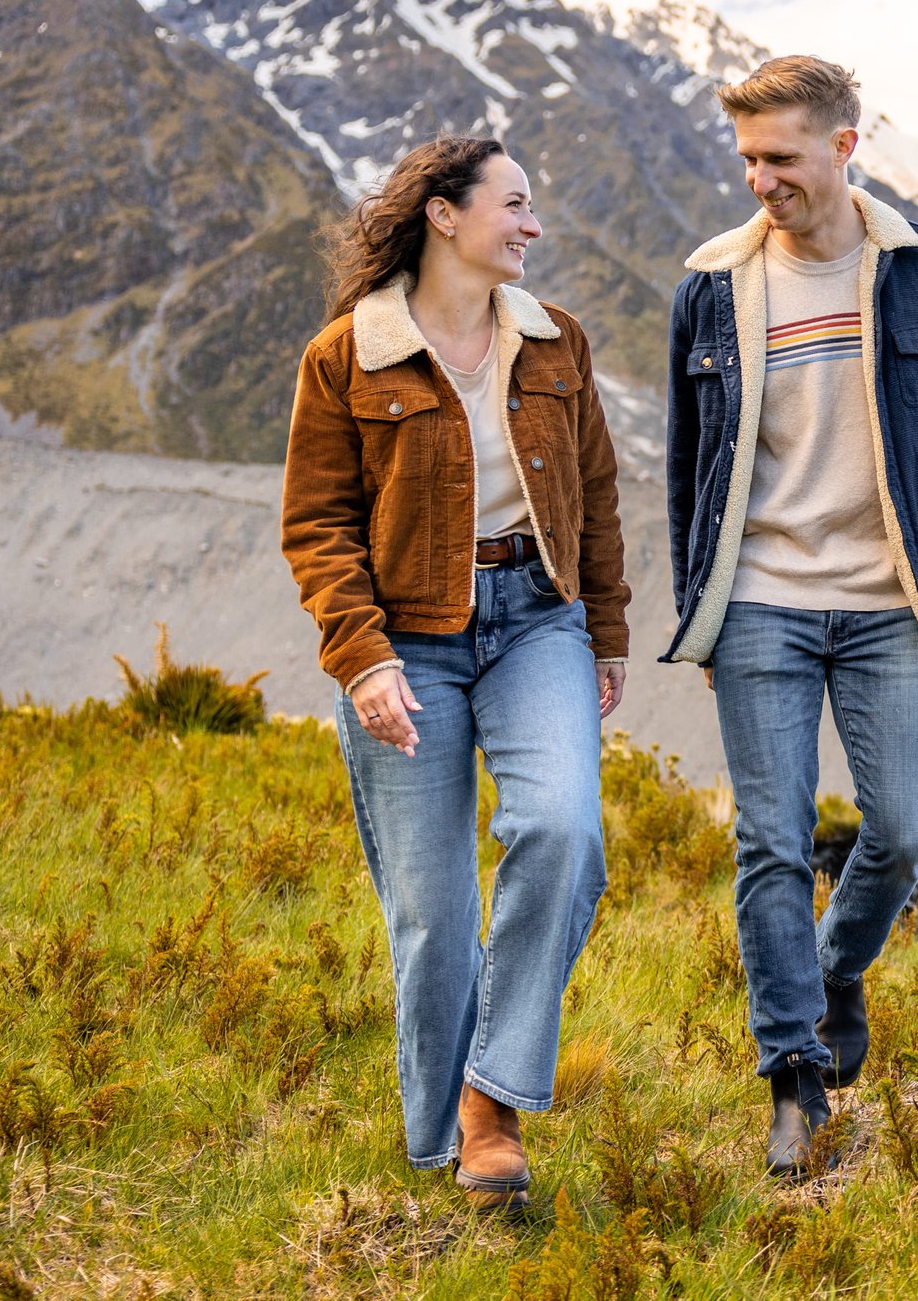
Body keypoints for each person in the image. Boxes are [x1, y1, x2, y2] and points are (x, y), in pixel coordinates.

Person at [663, 56, 918, 1176]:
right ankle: (794, 1076)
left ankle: (834, 975)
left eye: (780, 158)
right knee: (769, 841)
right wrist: (706, 614)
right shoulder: (711, 286)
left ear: (843, 147)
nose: (760, 180)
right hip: (765, 599)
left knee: (904, 831)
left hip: (889, 601)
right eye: (746, 159)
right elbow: (692, 470)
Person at [280, 135, 629, 1209]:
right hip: (405, 640)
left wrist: (605, 632)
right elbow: (317, 526)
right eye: (513, 204)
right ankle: (448, 1154)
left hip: (537, 622)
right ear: (443, 214)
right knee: (430, 913)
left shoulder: (555, 342)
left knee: (565, 831)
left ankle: (492, 1099)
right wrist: (361, 654)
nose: (531, 225)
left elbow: (599, 495)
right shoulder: (347, 355)